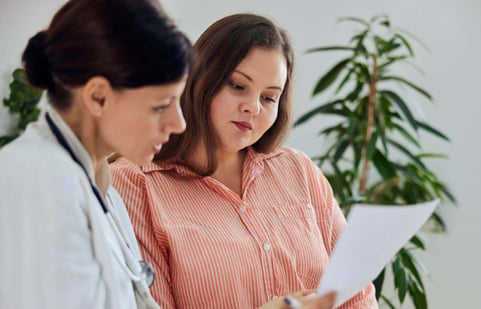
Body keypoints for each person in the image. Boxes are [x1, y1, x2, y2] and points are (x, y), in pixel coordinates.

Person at [111, 13, 378, 309]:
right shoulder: (134, 184)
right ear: (198, 78)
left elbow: (358, 296)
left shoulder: (298, 171)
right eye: (238, 86)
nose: (252, 107)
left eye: (269, 98)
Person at [0, 0, 194, 308]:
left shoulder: (102, 190)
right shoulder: (38, 182)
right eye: (160, 106)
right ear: (98, 97)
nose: (179, 124)